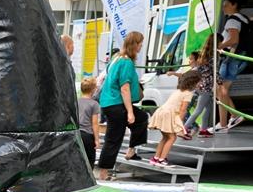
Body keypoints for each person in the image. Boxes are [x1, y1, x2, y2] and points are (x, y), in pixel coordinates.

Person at [96, 31, 149, 180]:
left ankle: (131, 150)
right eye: (140, 44)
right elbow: (124, 88)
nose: (141, 47)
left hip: (108, 103)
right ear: (135, 45)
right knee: (114, 138)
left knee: (141, 118)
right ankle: (104, 174)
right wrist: (130, 112)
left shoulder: (116, 58)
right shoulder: (126, 62)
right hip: (116, 104)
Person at [214, 0, 249, 132]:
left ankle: (224, 123)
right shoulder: (244, 19)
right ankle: (233, 116)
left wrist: (218, 47)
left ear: (234, 5)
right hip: (239, 58)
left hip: (231, 58)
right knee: (221, 90)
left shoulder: (232, 20)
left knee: (220, 90)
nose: (223, 8)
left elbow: (234, 40)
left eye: (226, 5)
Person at [149, 70, 200, 166]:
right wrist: (179, 123)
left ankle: (156, 158)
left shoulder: (178, 90)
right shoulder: (188, 93)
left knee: (165, 137)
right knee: (172, 137)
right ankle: (162, 159)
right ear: (194, 82)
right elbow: (183, 110)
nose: (200, 84)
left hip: (162, 112)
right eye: (199, 82)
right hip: (169, 114)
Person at [184, 35, 216, 139]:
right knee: (198, 110)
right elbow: (215, 72)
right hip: (206, 87)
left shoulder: (204, 56)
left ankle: (203, 130)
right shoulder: (211, 57)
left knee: (208, 107)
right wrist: (220, 82)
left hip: (203, 87)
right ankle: (184, 129)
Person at [77, 78, 102, 168]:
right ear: (93, 89)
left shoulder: (76, 102)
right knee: (89, 160)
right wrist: (97, 140)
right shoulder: (94, 104)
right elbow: (95, 123)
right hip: (88, 135)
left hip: (77, 134)